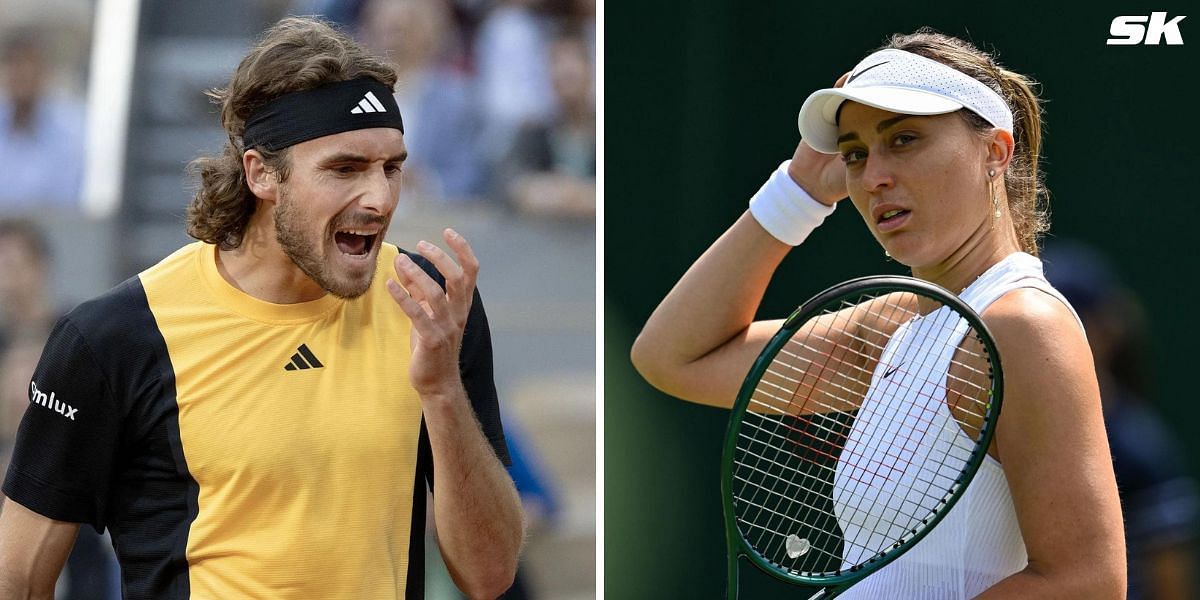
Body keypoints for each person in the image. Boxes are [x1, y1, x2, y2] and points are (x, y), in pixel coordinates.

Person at [0, 16, 523, 600]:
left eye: (391, 167)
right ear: (261, 173)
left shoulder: (431, 308)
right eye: (345, 168)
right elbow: (18, 577)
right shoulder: (114, 336)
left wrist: (444, 393)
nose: (379, 198)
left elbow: (489, 574)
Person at [630, 28, 1126, 598]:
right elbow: (671, 357)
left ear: (995, 151)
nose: (872, 178)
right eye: (855, 154)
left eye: (905, 139)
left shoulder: (1023, 326)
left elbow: (1087, 583)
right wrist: (799, 191)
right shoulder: (892, 325)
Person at [1042, 241, 1199, 600]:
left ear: (1108, 329)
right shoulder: (1024, 431)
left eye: (1074, 319)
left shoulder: (1140, 447)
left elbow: (1171, 576)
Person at [0, 27, 85, 212]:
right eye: (14, 64)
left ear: (45, 72)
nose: (22, 74)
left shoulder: (71, 132)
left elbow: (66, 207)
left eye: (30, 64)